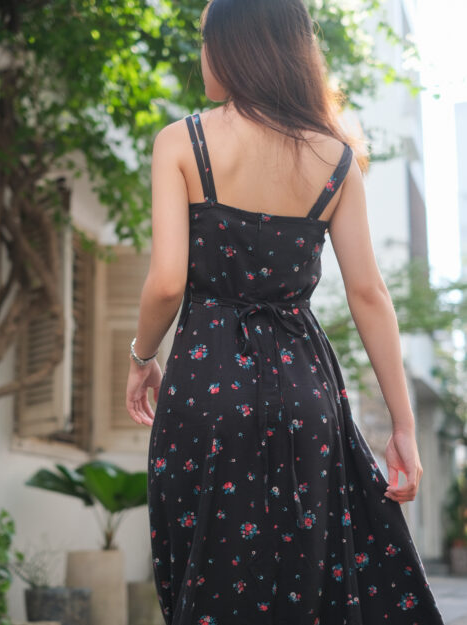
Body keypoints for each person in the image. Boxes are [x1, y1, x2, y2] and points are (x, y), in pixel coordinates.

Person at [125, 0, 446, 623]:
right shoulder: (336, 157)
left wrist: (141, 357)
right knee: (306, 585)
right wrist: (402, 426)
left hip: (206, 387)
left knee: (207, 578)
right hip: (306, 392)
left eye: (206, 39)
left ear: (236, 46)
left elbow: (165, 282)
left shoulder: (182, 142)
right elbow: (369, 295)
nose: (202, 54)